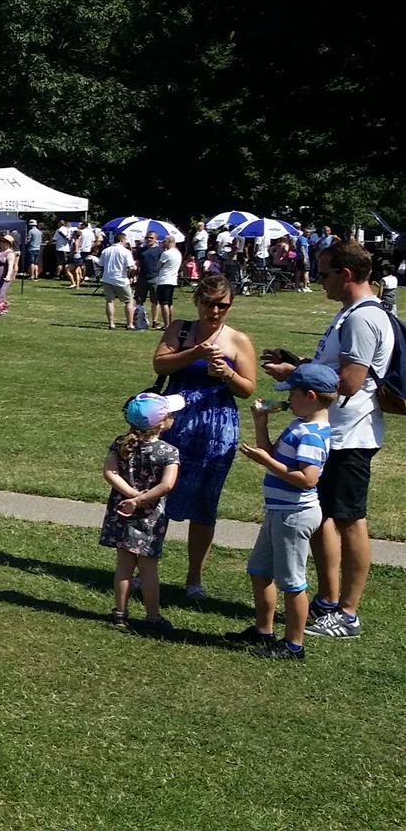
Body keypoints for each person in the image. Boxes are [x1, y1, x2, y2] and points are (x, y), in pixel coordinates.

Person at [265, 241, 392, 640]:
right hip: (334, 432)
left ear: (346, 274)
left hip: (349, 435)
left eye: (323, 274)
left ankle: (348, 613)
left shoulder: (362, 319)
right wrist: (302, 366)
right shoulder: (350, 314)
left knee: (351, 519)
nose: (319, 281)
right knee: (326, 519)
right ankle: (328, 601)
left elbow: (349, 383)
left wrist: (296, 376)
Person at [152, 274, 257, 596]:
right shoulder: (180, 329)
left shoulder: (239, 340)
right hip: (173, 420)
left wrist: (227, 373)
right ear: (198, 301)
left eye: (222, 306)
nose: (215, 311)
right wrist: (194, 353)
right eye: (209, 304)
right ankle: (146, 566)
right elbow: (160, 365)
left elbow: (248, 389)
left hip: (216, 426)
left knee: (204, 504)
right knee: (158, 493)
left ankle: (194, 578)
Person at [229, 362, 336, 660]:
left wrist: (266, 462)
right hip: (279, 510)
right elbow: (277, 455)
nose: (288, 399)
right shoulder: (299, 425)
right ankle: (264, 631)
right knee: (259, 571)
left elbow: (307, 479)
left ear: (311, 395)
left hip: (295, 514)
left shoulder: (313, 434)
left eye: (292, 393)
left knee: (292, 582)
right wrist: (261, 425)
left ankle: (294, 644)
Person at [100, 393, 184, 632]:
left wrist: (130, 496)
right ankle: (152, 617)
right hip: (150, 516)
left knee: (124, 565)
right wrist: (141, 500)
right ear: (160, 423)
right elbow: (167, 485)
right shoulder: (168, 452)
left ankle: (119, 613)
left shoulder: (121, 443)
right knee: (148, 569)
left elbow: (110, 473)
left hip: (121, 512)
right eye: (170, 415)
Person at [97, 232, 136, 330]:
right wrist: (133, 271)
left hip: (107, 278)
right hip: (121, 279)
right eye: (126, 240)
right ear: (122, 240)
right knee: (128, 301)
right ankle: (130, 324)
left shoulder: (106, 251)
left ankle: (111, 323)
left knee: (110, 301)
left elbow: (100, 264)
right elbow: (131, 266)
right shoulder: (125, 252)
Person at [152, 236, 182, 328]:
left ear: (170, 242)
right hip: (172, 280)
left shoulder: (166, 253)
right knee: (169, 303)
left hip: (164, 280)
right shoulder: (178, 253)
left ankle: (166, 324)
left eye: (164, 241)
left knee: (163, 303)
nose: (162, 243)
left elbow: (158, 266)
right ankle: (170, 322)